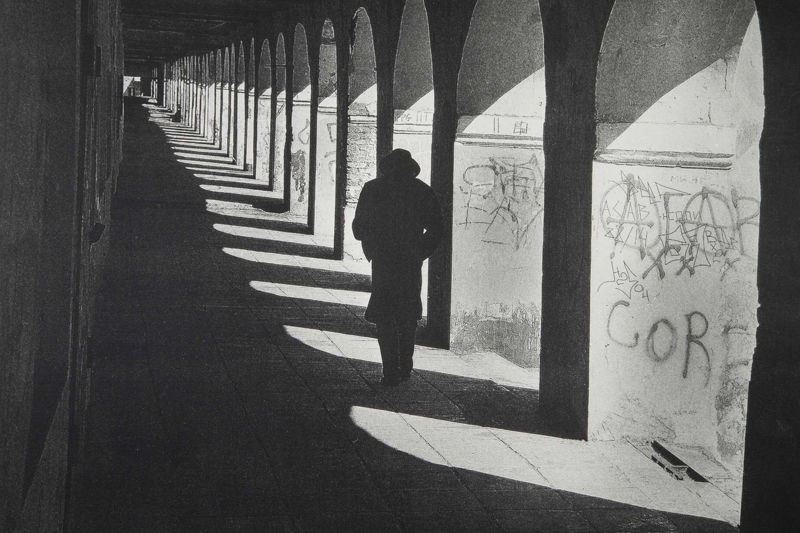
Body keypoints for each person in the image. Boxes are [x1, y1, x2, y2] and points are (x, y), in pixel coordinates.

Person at [352, 149, 444, 386]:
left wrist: (373, 245)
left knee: (385, 317)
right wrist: (419, 252)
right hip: (409, 262)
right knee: (407, 316)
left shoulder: (373, 189)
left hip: (383, 261)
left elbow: (358, 228)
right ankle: (405, 366)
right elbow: (437, 229)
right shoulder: (422, 191)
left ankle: (390, 370)